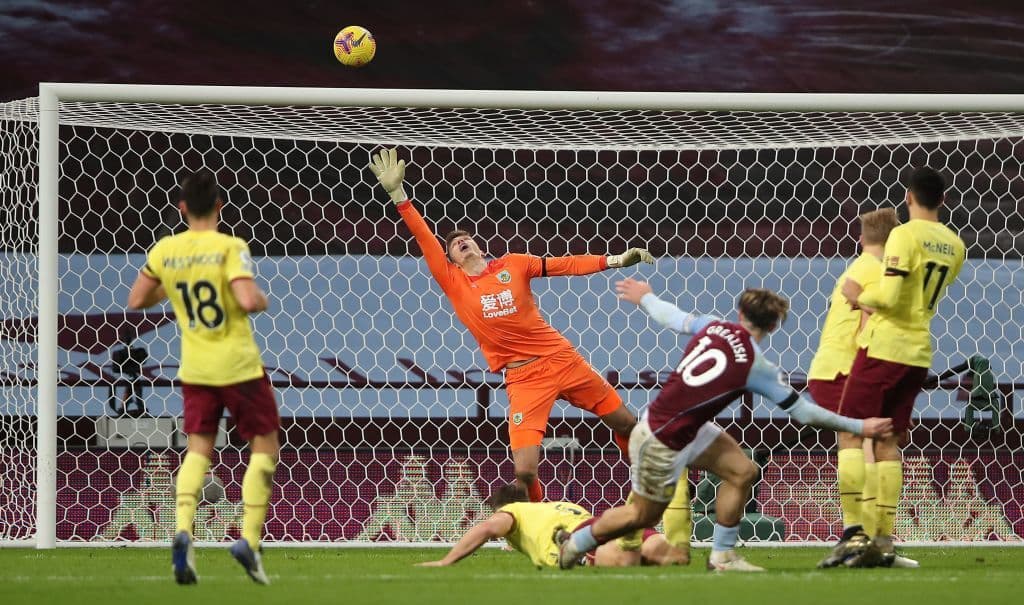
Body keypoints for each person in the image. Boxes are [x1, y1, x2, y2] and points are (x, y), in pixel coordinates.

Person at [368, 148, 649, 502]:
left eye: (465, 237)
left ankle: (651, 488)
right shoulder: (454, 282)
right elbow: (424, 237)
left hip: (563, 360)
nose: (460, 242)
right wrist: (399, 195)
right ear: (450, 260)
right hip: (524, 379)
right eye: (454, 244)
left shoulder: (514, 264)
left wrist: (616, 260)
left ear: (478, 244)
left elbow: (565, 264)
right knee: (525, 470)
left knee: (626, 424)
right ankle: (535, 522)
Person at [557, 282, 893, 572]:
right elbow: (804, 413)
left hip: (685, 427)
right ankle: (577, 543)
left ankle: (723, 556)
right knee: (642, 516)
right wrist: (860, 425)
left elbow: (671, 316)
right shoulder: (755, 364)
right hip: (661, 438)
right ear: (774, 326)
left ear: (740, 313)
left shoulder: (714, 326)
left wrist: (645, 297)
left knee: (743, 471)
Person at [127, 168, 278, 585]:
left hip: (194, 368)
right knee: (264, 442)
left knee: (198, 449)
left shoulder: (165, 250)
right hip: (238, 364)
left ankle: (182, 531)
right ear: (219, 206)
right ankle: (249, 538)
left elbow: (137, 299)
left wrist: (176, 283)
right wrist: (260, 299)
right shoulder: (231, 246)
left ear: (181, 208)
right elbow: (247, 298)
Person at [837, 166, 966, 566]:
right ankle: (884, 540)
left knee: (852, 433)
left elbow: (891, 296)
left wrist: (859, 295)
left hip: (885, 347)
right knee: (889, 441)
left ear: (909, 197)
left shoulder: (902, 234)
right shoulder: (956, 245)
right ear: (943, 200)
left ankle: (854, 536)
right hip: (918, 353)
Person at [806, 208, 903, 568]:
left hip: (836, 366)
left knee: (873, 442)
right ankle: (865, 536)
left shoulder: (858, 269)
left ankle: (871, 538)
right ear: (894, 241)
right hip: (851, 367)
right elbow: (868, 327)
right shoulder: (880, 273)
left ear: (862, 239)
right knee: (865, 440)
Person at [414, 483, 688, 568]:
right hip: (594, 523)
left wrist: (446, 561)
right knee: (669, 558)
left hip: (580, 540)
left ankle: (632, 524)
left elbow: (487, 528)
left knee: (627, 561)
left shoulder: (512, 512)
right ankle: (636, 519)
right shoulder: (557, 505)